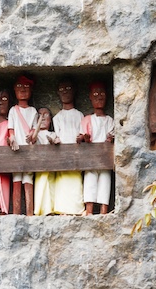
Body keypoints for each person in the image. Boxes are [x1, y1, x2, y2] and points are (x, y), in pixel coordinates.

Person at [37, 80, 85, 215]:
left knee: (75, 181)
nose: (65, 92)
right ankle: (62, 209)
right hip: (61, 154)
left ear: (74, 91)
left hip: (76, 154)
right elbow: (57, 135)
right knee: (62, 182)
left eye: (68, 88)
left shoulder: (79, 115)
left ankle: (76, 209)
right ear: (58, 93)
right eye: (62, 89)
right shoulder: (57, 117)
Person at [79, 82, 116, 214]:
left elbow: (112, 135)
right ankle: (89, 210)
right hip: (90, 156)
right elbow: (81, 137)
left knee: (105, 182)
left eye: (102, 94)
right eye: (95, 94)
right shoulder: (87, 119)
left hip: (105, 156)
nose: (99, 97)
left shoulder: (110, 120)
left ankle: (103, 210)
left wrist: (110, 139)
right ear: (90, 97)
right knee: (90, 182)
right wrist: (85, 138)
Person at [6, 74, 37, 214]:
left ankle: (30, 212)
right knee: (17, 179)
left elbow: (35, 129)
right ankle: (16, 212)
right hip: (16, 149)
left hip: (28, 149)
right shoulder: (13, 110)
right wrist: (12, 138)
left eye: (26, 87)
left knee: (28, 179)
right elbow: (11, 129)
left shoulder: (33, 111)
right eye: (19, 86)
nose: (23, 90)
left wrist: (32, 135)